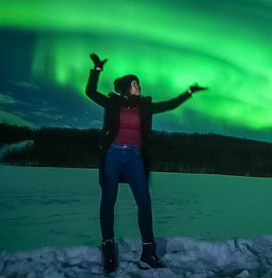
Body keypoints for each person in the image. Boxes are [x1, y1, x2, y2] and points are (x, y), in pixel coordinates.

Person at [85, 52, 207, 273]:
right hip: (112, 156)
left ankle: (148, 253)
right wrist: (97, 70)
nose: (138, 86)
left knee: (144, 202)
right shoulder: (112, 103)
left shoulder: (145, 106)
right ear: (125, 87)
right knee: (108, 200)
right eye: (134, 83)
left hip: (135, 158)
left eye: (139, 83)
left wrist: (189, 92)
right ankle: (109, 249)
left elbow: (170, 105)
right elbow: (90, 91)